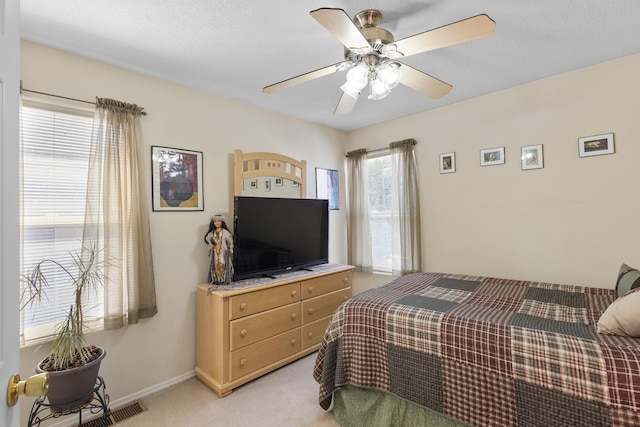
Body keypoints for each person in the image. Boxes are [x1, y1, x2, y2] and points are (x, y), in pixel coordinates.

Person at [204, 214, 234, 284]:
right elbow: (208, 240)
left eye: (219, 221)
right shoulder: (212, 233)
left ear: (222, 222)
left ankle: (224, 279)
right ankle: (216, 279)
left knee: (224, 264)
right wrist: (209, 249)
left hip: (223, 251)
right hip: (215, 251)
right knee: (215, 264)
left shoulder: (226, 233)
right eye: (215, 221)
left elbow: (230, 240)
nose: (217, 223)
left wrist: (231, 248)